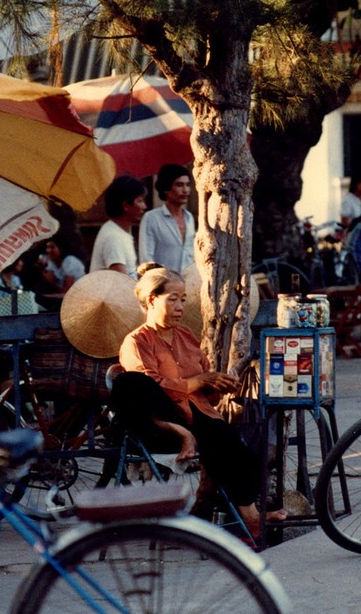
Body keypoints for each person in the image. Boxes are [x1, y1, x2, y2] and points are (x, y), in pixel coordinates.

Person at [114, 263, 287, 536]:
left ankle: (246, 515)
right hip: (160, 423)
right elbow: (150, 389)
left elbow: (207, 390)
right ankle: (249, 518)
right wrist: (198, 382)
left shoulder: (185, 335)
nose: (180, 307)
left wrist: (217, 384)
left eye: (182, 299)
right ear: (151, 300)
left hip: (200, 416)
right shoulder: (137, 341)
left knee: (236, 444)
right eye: (172, 299)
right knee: (133, 383)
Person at [139, 164, 196, 272]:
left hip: (188, 284)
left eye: (188, 185)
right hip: (163, 284)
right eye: (179, 185)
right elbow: (146, 260)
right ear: (166, 189)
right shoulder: (151, 218)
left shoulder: (189, 218)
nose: (185, 190)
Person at [89, 175, 148, 277]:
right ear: (126, 205)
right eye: (140, 201)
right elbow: (121, 283)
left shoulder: (120, 233)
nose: (144, 207)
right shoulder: (114, 237)